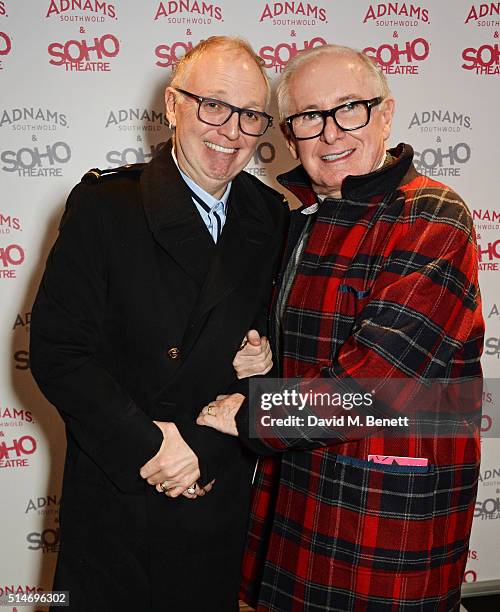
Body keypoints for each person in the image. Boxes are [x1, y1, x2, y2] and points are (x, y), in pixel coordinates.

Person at [197, 44, 484, 611]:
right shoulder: (299, 219)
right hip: (296, 491)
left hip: (385, 512)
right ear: (290, 132)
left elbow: (376, 386)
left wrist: (251, 410)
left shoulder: (432, 217)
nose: (330, 133)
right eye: (309, 117)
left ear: (385, 114)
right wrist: (258, 354)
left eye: (349, 108)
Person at [30, 36, 287, 612]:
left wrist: (206, 447)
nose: (231, 130)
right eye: (213, 105)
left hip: (216, 492)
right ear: (174, 106)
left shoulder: (270, 216)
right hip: (120, 495)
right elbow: (58, 352)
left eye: (250, 115)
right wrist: (153, 445)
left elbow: (275, 354)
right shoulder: (105, 206)